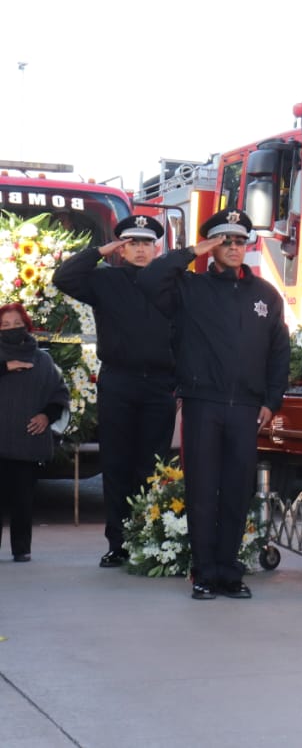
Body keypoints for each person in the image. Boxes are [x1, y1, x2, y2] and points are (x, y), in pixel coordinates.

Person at [138, 208, 290, 599]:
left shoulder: (266, 295)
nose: (234, 247)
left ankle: (229, 573)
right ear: (213, 246)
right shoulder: (189, 289)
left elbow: (279, 353)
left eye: (240, 241)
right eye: (225, 241)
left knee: (238, 493)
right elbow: (148, 279)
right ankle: (204, 573)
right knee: (203, 491)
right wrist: (193, 250)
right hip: (203, 404)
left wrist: (272, 401)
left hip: (246, 410)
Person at [53, 214, 177, 568]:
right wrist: (100, 250)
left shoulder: (172, 283)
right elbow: (64, 277)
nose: (140, 250)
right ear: (121, 250)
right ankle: (118, 543)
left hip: (159, 384)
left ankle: (151, 537)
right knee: (117, 465)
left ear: (156, 248)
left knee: (151, 467)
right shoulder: (106, 281)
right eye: (132, 243)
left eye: (146, 244)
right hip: (119, 382)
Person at [0, 303, 70, 563]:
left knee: (23, 500)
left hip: (26, 442)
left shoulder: (42, 360)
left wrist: (45, 416)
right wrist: (5, 367)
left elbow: (59, 394)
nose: (11, 329)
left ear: (27, 326)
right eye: (4, 325)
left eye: (16, 324)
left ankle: (21, 549)